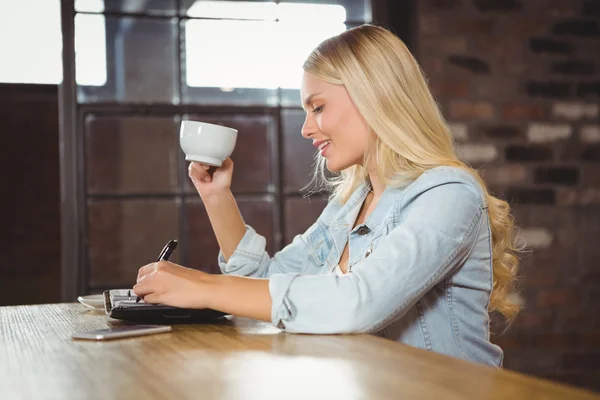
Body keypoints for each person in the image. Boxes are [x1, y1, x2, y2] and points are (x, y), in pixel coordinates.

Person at [133, 24, 521, 367]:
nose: (306, 129)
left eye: (317, 107)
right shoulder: (350, 205)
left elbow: (360, 301)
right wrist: (217, 197)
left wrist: (203, 286)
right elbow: (268, 281)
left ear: (376, 96)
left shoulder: (448, 194)